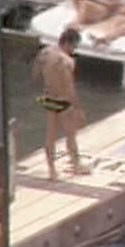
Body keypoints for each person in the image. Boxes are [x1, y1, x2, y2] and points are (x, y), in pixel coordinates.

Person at [33, 29, 89, 179]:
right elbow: (69, 86)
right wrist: (78, 108)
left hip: (49, 97)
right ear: (69, 43)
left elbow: (36, 73)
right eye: (74, 46)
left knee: (50, 135)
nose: (74, 50)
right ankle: (76, 165)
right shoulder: (67, 61)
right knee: (70, 134)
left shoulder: (45, 53)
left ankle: (52, 171)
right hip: (63, 100)